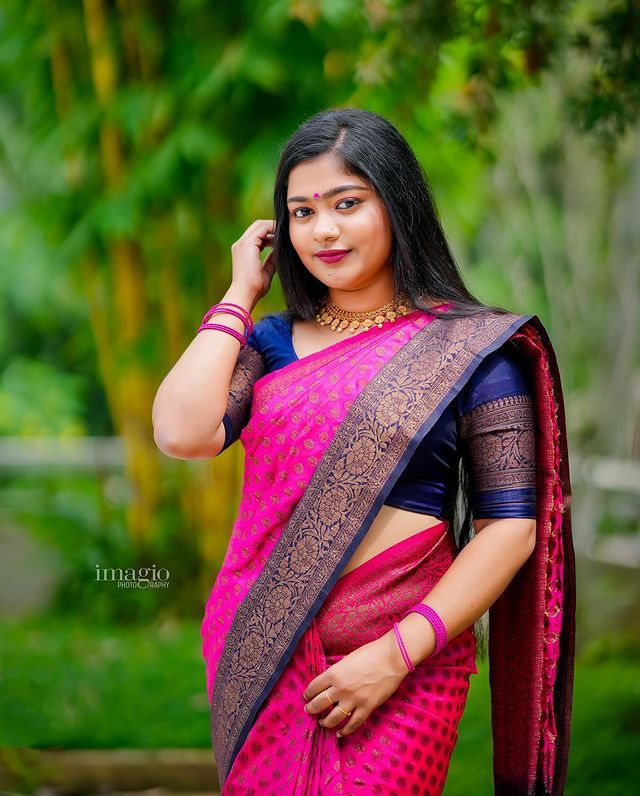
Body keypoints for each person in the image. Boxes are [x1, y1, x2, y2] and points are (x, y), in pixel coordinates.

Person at [152, 107, 575, 795]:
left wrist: (394, 653)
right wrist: (238, 292)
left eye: (347, 204)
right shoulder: (269, 346)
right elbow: (182, 431)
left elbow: (511, 529)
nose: (324, 229)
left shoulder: (471, 352)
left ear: (397, 204)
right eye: (302, 211)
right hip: (265, 653)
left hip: (409, 667)